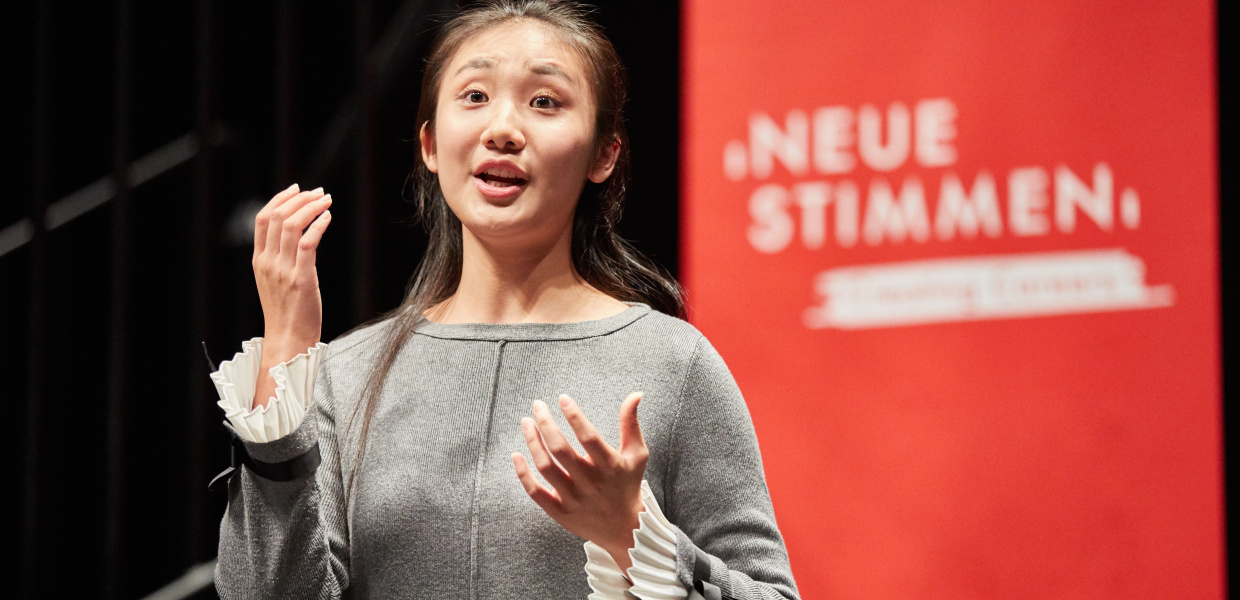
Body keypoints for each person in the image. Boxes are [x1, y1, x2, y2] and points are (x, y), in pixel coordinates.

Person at [209, 1, 799, 598]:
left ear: (603, 154)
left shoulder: (674, 363)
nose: (502, 129)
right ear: (430, 144)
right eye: (474, 96)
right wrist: (285, 352)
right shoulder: (347, 373)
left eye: (545, 101)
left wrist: (637, 540)